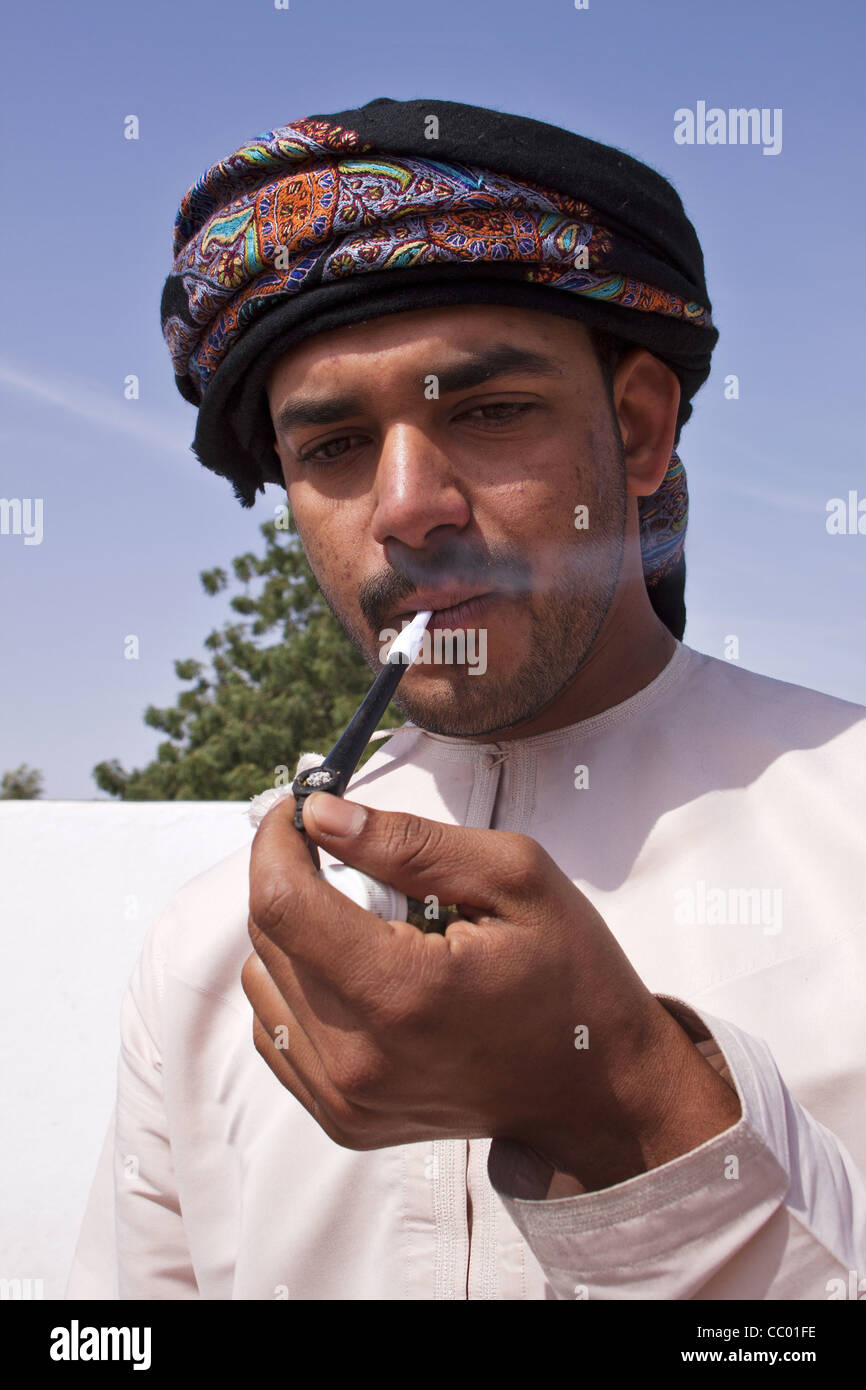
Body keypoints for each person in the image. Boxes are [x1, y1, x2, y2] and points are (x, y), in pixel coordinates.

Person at [67, 96, 866, 1301]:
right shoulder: (212, 947)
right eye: (331, 447)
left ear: (638, 429)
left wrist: (617, 1103)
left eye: (487, 414)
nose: (406, 507)